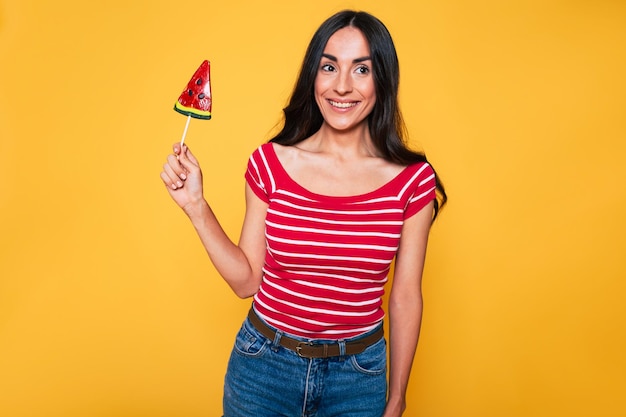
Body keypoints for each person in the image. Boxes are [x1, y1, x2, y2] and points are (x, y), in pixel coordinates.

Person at [161, 10, 447, 417]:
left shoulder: (412, 181)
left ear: (382, 79)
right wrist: (195, 206)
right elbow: (246, 282)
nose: (342, 86)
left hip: (358, 377)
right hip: (263, 369)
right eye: (329, 67)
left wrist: (398, 396)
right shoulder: (270, 163)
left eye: (361, 69)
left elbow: (404, 296)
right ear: (313, 74)